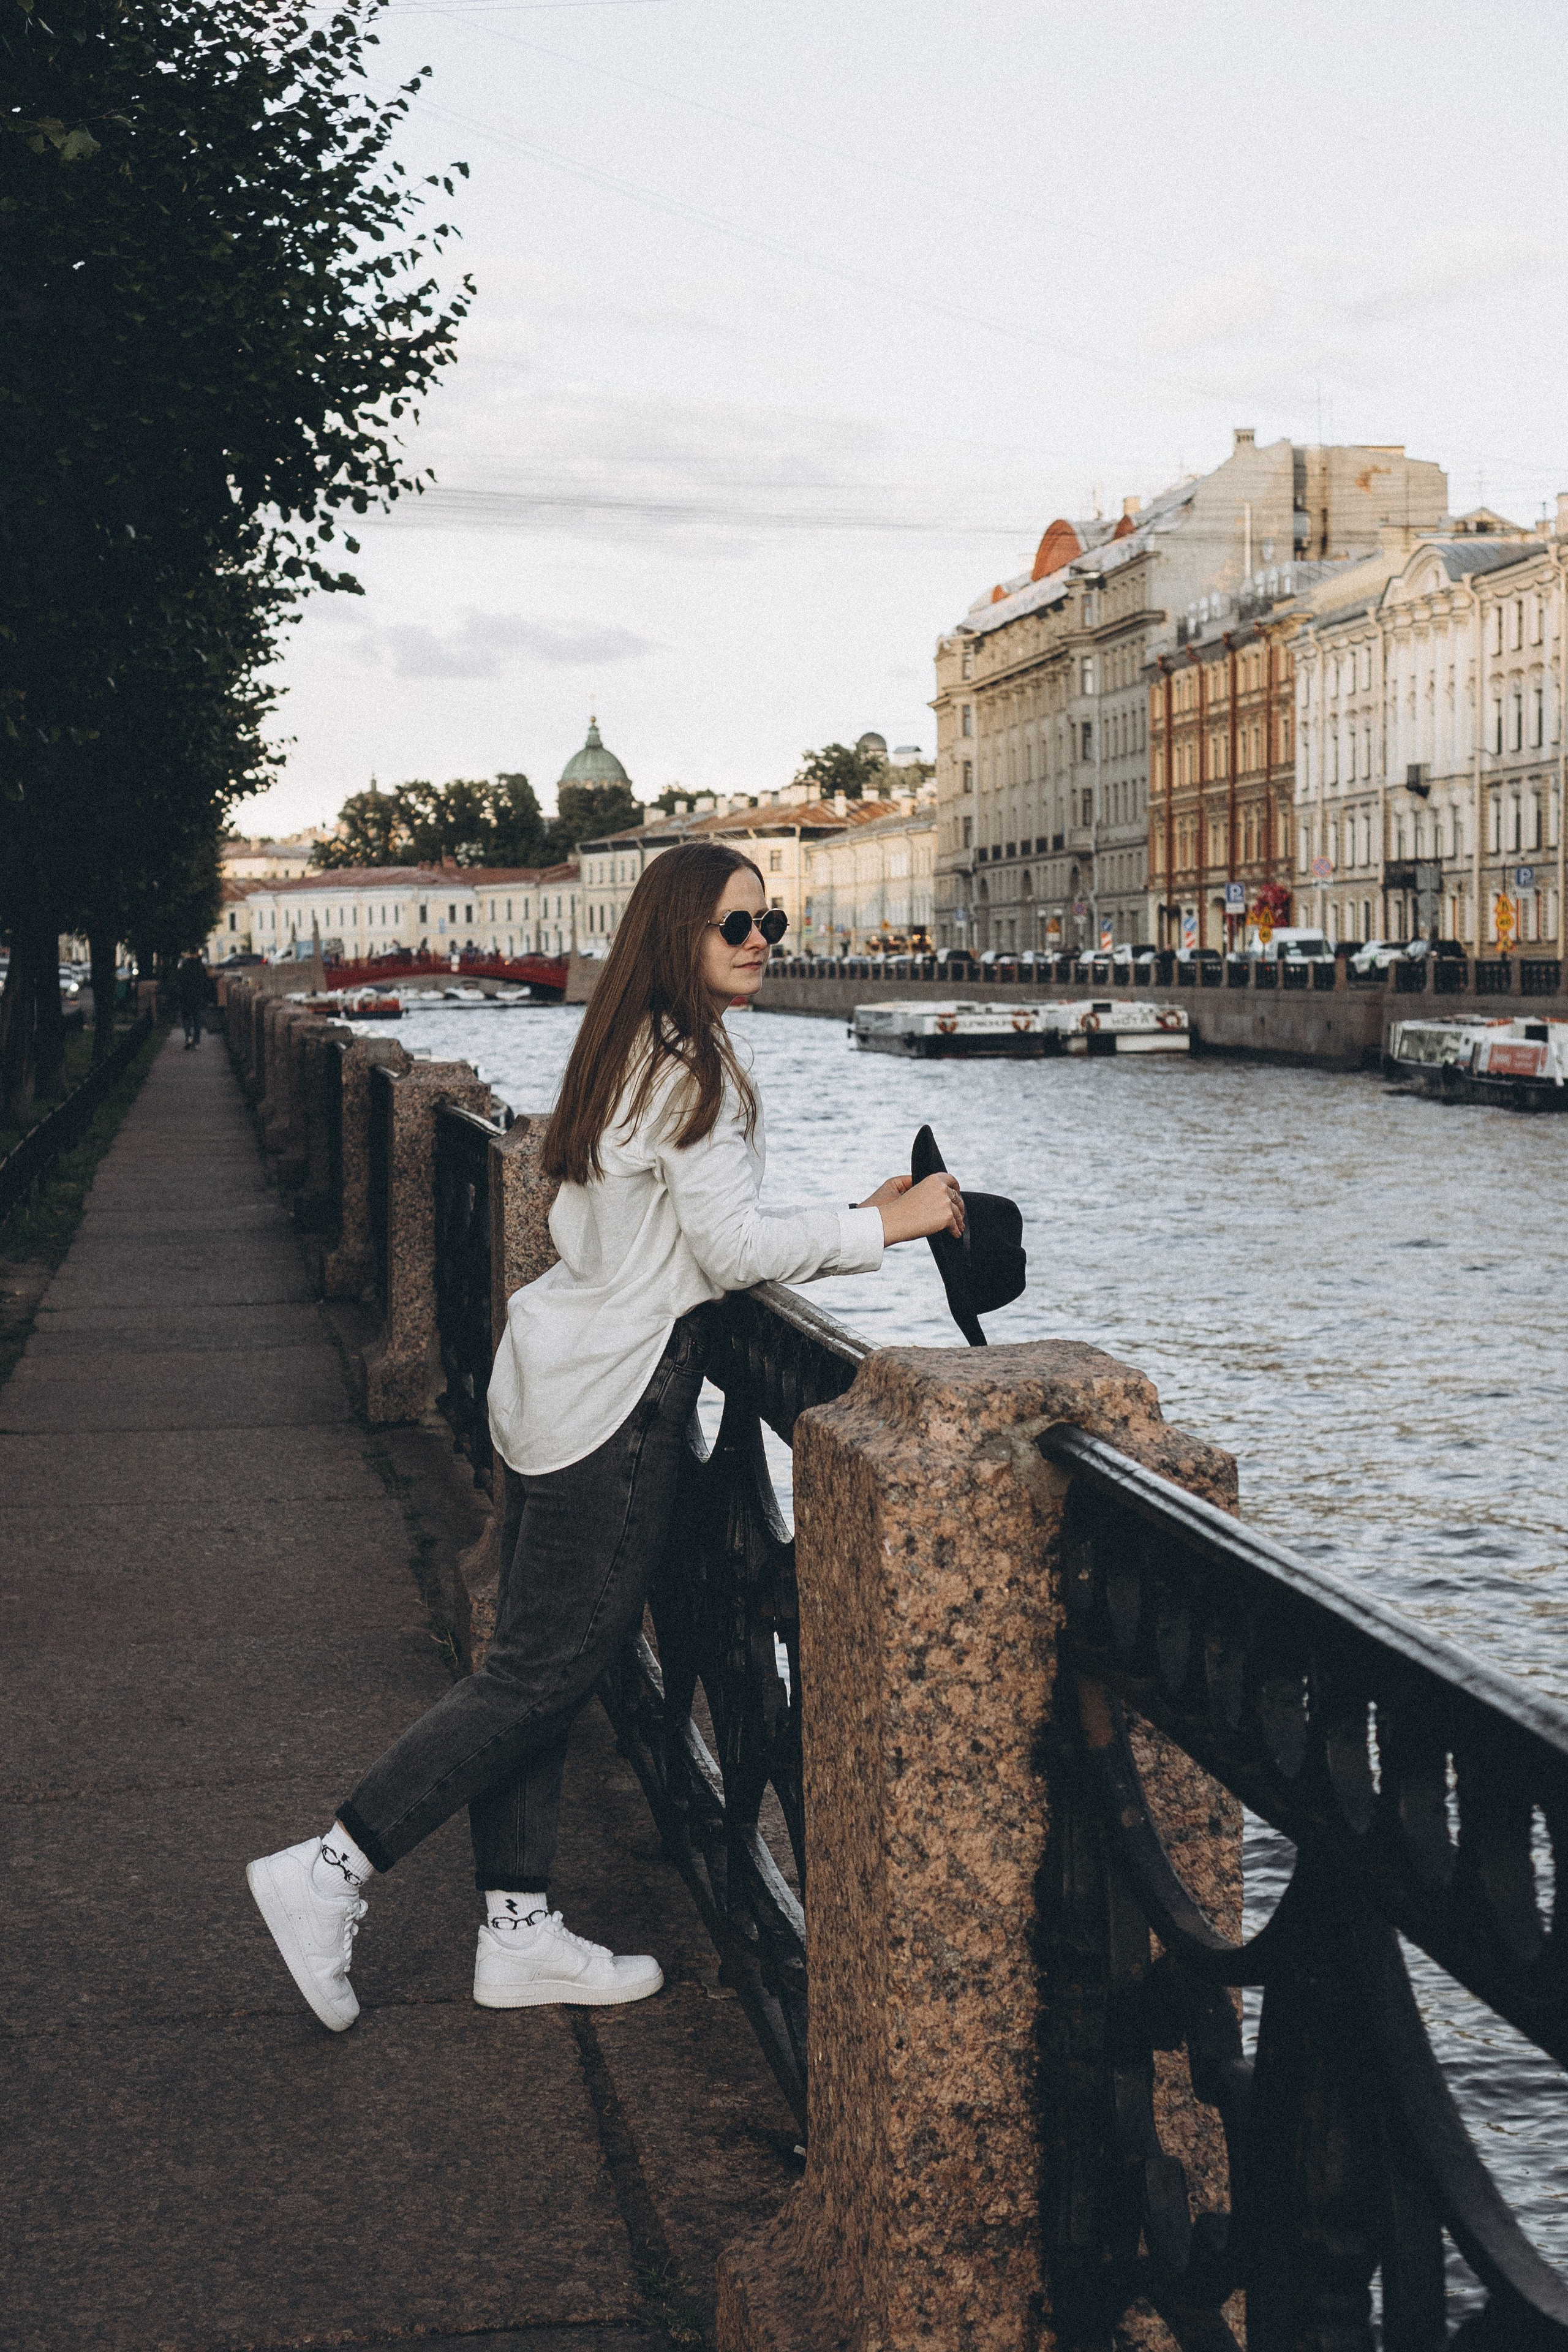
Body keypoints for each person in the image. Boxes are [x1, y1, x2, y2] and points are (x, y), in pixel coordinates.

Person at [246, 843, 963, 2032]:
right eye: (734, 924)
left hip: (550, 1376)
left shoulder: (628, 1051)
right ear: (675, 934)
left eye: (769, 923)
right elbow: (726, 1253)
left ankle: (517, 1931)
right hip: (612, 1405)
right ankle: (329, 1872)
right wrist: (887, 1229)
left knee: (529, 1670)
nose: (759, 943)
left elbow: (642, 1225)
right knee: (539, 1677)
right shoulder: (697, 1076)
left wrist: (856, 1209)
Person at [175, 953, 206, 1049]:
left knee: (186, 1018)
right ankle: (196, 1042)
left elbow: (179, 981)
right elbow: (205, 982)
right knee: (197, 1020)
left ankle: (189, 1036)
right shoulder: (201, 966)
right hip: (197, 997)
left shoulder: (184, 965)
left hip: (186, 997)